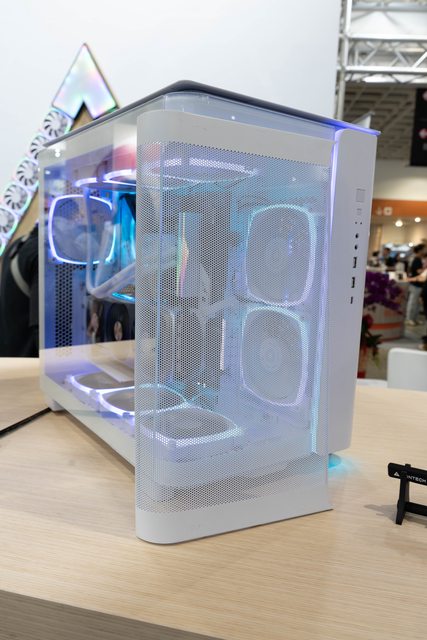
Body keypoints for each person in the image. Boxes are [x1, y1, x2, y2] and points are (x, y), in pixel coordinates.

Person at [0, 224, 39, 357]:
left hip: (11, 357)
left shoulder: (16, 245)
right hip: (31, 361)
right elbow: (42, 329)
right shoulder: (40, 254)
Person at [405, 243, 425, 326]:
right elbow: (418, 271)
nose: (425, 251)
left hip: (419, 284)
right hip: (415, 284)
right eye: (424, 249)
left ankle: (414, 319)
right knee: (413, 302)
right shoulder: (416, 259)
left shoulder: (419, 259)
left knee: (417, 303)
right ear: (420, 250)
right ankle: (409, 319)